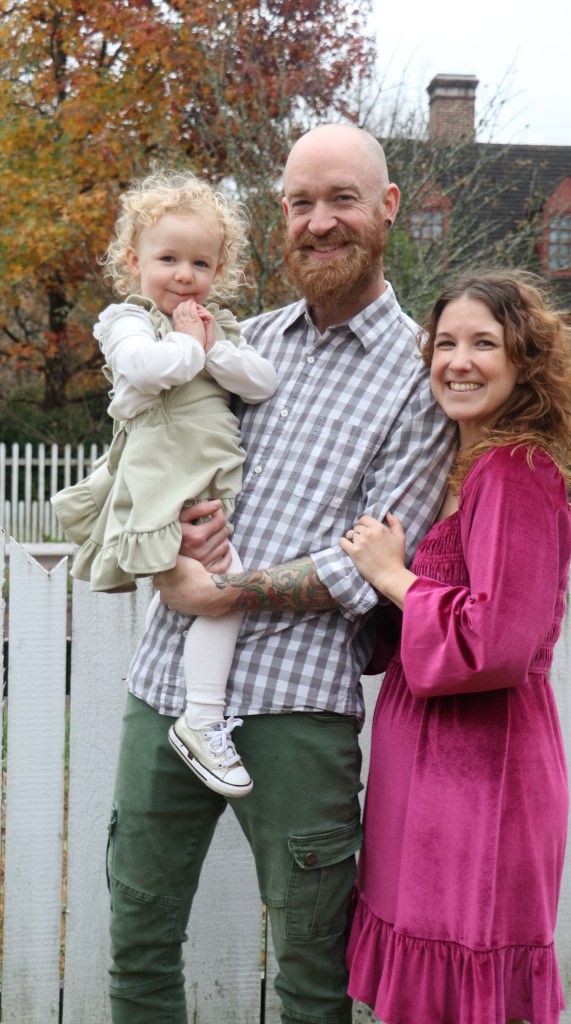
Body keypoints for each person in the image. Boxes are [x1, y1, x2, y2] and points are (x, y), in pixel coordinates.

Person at [106, 123, 456, 1024]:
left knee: (309, 976)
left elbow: (369, 563)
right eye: (300, 202)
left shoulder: (421, 376)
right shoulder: (237, 344)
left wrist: (223, 592)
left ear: (386, 208)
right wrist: (166, 539)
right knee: (138, 951)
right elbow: (155, 456)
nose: (318, 221)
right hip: (165, 689)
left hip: (297, 709)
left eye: (341, 199)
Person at [340, 268, 571, 1024]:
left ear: (523, 360)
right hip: (420, 769)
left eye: (483, 343)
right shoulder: (456, 469)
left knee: (467, 988)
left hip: (484, 775)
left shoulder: (517, 471)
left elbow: (497, 642)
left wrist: (393, 576)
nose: (458, 361)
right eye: (444, 343)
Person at [51, 169, 278, 797]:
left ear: (218, 270)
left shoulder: (215, 323)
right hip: (164, 476)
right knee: (225, 588)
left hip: (206, 478)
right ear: (135, 262)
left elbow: (262, 383)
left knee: (205, 584)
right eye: (168, 259)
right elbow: (144, 368)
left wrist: (216, 348)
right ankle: (201, 717)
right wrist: (190, 345)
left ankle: (185, 696)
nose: (184, 275)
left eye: (200, 263)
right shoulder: (126, 320)